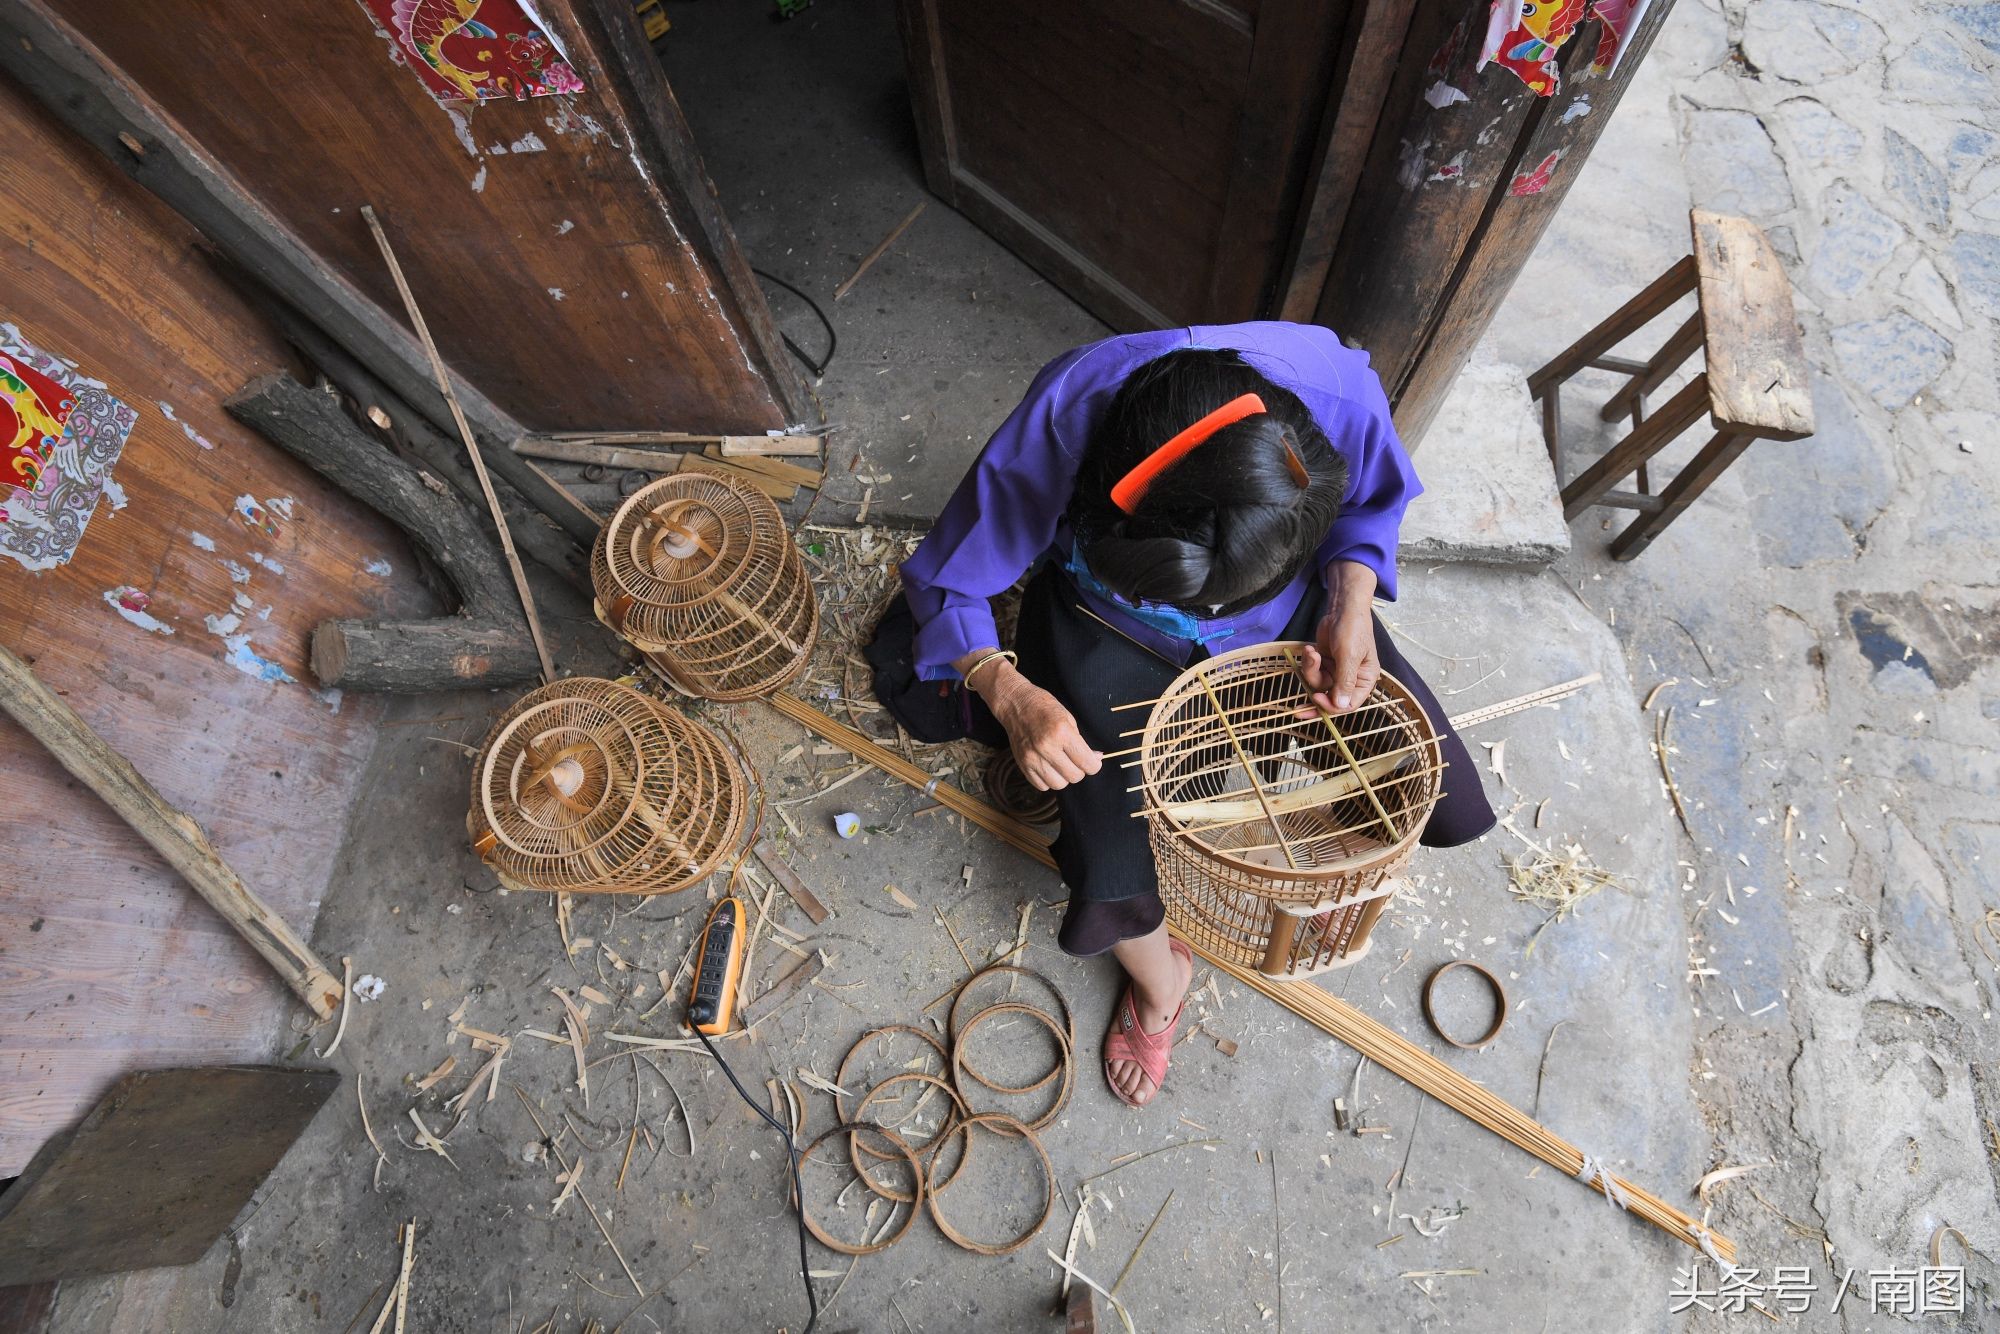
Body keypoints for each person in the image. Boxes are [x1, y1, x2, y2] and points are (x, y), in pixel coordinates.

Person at [868, 323, 1495, 1108]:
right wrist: (1007, 689)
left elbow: (1371, 502)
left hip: (1284, 611)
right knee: (1109, 848)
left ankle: (1315, 812)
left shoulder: (1328, 391)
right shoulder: (1066, 418)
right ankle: (1162, 983)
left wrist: (1349, 599)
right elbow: (950, 581)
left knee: (1415, 768)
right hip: (1112, 617)